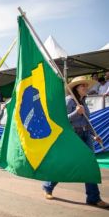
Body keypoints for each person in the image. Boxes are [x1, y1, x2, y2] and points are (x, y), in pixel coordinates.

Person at [42, 76, 109, 208]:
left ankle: (93, 197)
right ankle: (48, 186)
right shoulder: (69, 101)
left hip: (86, 135)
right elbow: (63, 121)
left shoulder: (84, 101)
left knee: (89, 164)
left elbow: (87, 121)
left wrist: (94, 135)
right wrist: (75, 113)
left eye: (86, 85)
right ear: (76, 88)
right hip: (74, 135)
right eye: (82, 86)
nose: (85, 88)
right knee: (65, 164)